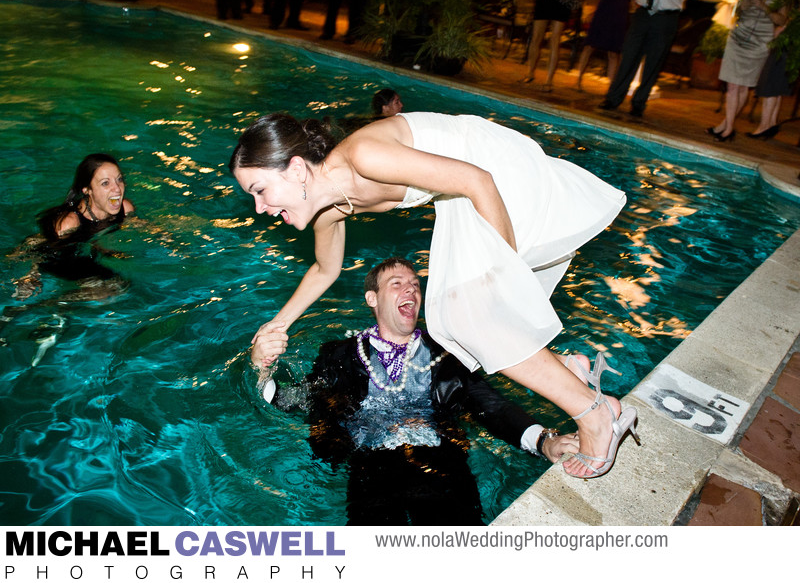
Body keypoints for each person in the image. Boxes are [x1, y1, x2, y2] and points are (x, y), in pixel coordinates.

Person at [230, 111, 637, 479]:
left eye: (261, 189)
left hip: (487, 168)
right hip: (463, 191)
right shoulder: (332, 208)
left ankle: (594, 414)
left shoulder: (363, 156)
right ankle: (568, 372)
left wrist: (500, 279)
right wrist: (275, 327)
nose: (259, 207)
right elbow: (325, 269)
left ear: (297, 169)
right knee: (452, 332)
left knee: (467, 313)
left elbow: (478, 179)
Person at [259, 257, 580, 524]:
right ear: (372, 298)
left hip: (441, 462)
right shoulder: (340, 354)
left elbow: (489, 405)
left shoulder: (447, 351)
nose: (410, 288)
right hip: (371, 468)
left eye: (414, 283)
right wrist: (262, 370)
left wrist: (544, 441)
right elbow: (299, 399)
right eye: (396, 283)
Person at [11, 153, 134, 299]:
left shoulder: (125, 208)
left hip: (87, 252)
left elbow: (145, 226)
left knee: (121, 286)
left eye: (119, 179)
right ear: (87, 190)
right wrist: (31, 274)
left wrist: (166, 238)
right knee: (111, 289)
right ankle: (56, 305)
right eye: (105, 183)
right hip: (63, 259)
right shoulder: (69, 223)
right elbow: (40, 247)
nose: (117, 189)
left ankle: (61, 306)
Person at [600, 0, 702, 117]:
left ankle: (639, 103)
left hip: (666, 17)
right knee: (629, 56)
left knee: (654, 62)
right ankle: (613, 99)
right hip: (643, 13)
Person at [707, 0, 788, 141]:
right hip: (738, 37)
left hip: (760, 43)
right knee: (732, 85)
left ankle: (725, 126)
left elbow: (782, 20)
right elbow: (738, 11)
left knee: (743, 86)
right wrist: (746, 3)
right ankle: (729, 127)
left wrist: (765, 8)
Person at [520, 0, 584, 91]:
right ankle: (530, 72)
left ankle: (548, 80)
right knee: (537, 37)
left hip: (563, 2)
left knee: (554, 40)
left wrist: (574, 4)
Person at [576, 0, 631, 91]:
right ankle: (578, 79)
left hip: (620, 13)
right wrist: (592, 10)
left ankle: (611, 87)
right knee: (589, 46)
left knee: (613, 52)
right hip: (604, 9)